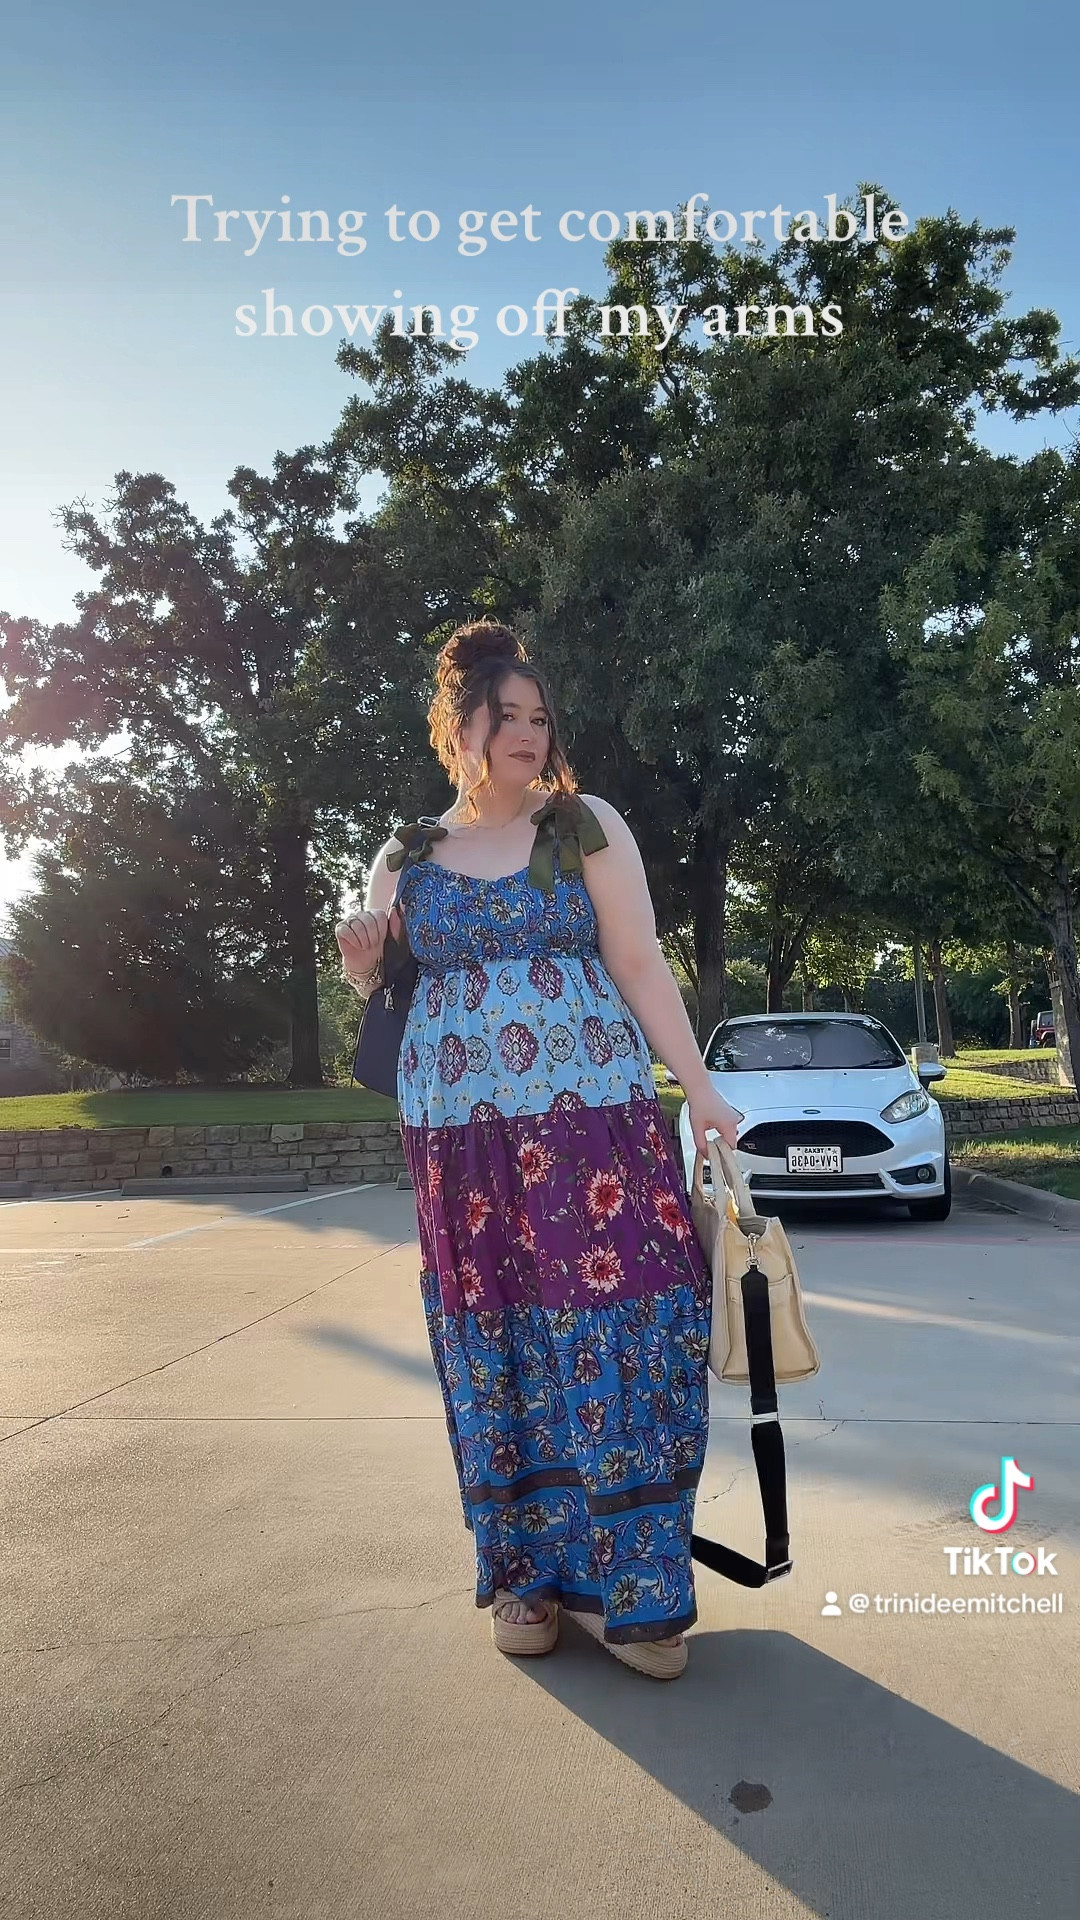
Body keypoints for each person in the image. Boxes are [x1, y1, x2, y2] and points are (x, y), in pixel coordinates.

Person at [335, 621, 741, 1681]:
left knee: (633, 1323)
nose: (525, 732)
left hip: (594, 1127)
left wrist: (700, 1093)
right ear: (457, 724)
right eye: (503, 715)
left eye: (538, 716)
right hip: (460, 1147)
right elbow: (385, 1001)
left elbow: (642, 963)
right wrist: (362, 971)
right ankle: (528, 1579)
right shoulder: (404, 854)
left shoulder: (585, 824)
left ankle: (635, 1591)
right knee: (501, 1346)